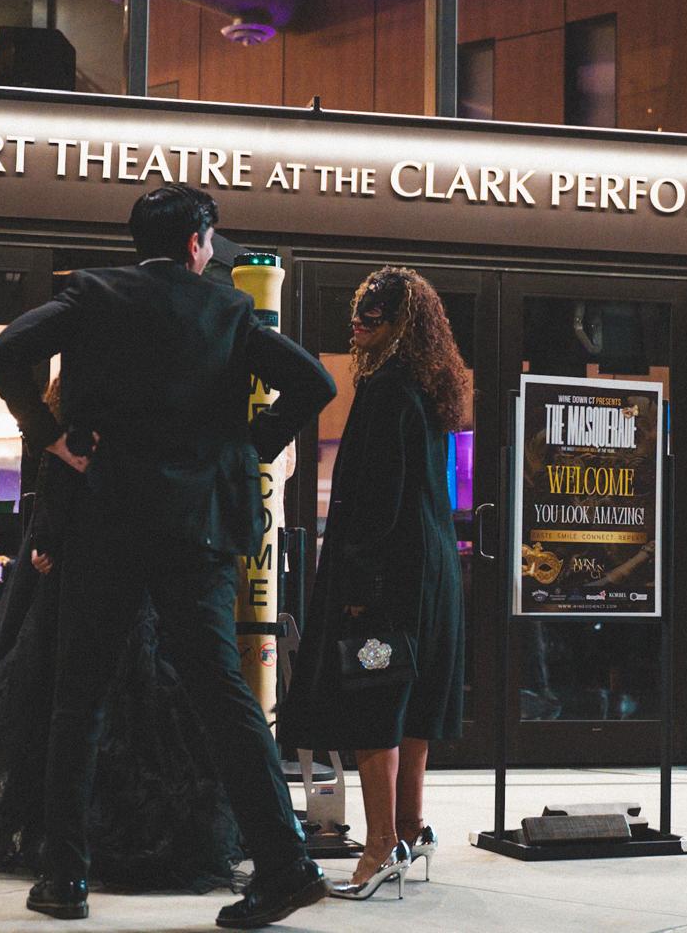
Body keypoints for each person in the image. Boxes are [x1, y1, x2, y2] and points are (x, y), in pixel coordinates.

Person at [0, 183, 336, 927]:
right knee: (223, 696)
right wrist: (250, 446)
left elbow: (8, 350)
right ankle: (285, 864)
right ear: (196, 243)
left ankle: (63, 878)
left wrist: (46, 432)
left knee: (79, 696)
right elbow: (314, 382)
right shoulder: (230, 310)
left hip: (105, 523)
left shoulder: (92, 295)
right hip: (197, 531)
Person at [0, 378, 243, 894]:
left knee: (73, 707)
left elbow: (59, 488)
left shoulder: (76, 408)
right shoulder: (152, 404)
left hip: (82, 576)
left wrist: (47, 538)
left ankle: (71, 848)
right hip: (149, 575)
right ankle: (143, 832)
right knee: (147, 707)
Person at [281, 266, 471, 900]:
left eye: (374, 314)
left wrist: (358, 582)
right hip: (431, 568)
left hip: (387, 574)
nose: (359, 322)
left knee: (374, 702)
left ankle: (379, 847)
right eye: (359, 310)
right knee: (411, 701)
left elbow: (374, 497)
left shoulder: (387, 387)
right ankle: (411, 830)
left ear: (400, 325)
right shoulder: (426, 386)